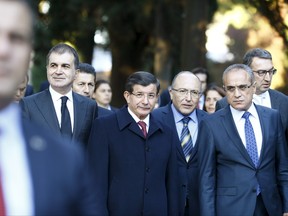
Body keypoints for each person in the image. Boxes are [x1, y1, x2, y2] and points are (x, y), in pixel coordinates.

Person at [0, 0, 97, 215]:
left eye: (16, 38)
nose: (3, 50)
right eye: (53, 65)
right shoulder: (30, 104)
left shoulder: (68, 154)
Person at [198, 64, 288, 216]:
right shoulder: (211, 124)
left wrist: (286, 206)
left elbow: (283, 168)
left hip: (270, 206)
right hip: (231, 208)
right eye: (231, 88)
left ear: (253, 87)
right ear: (225, 89)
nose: (237, 94)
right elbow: (206, 178)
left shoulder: (272, 117)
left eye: (242, 87)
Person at [88, 71, 179, 215]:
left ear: (157, 98)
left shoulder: (167, 133)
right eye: (139, 95)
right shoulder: (105, 127)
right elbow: (96, 183)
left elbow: (172, 184)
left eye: (151, 95)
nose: (145, 101)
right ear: (127, 96)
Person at [20, 43, 97, 147]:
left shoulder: (89, 106)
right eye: (53, 65)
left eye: (65, 66)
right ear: (47, 69)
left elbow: (91, 147)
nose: (58, 71)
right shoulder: (28, 105)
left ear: (76, 73)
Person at [153, 71, 208, 216]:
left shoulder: (210, 122)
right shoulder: (154, 119)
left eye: (194, 92)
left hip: (200, 204)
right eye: (183, 91)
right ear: (171, 93)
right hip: (165, 202)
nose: (188, 98)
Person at [216, 48, 288, 140]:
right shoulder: (224, 104)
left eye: (270, 72)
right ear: (247, 72)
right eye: (261, 72)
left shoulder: (284, 102)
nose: (268, 78)